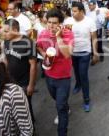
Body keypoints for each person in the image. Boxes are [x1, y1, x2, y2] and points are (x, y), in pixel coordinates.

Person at [37, 8, 74, 136]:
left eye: (54, 23)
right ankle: (65, 106)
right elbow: (38, 46)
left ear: (60, 24)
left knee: (60, 107)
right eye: (49, 22)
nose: (51, 26)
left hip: (63, 77)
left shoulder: (67, 33)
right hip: (49, 75)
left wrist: (58, 37)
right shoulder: (42, 33)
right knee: (56, 99)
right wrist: (44, 54)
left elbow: (67, 54)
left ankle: (62, 132)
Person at [2, 19, 37, 122]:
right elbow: (6, 59)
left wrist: (31, 85)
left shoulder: (28, 42)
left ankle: (31, 128)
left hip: (24, 82)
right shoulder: (7, 41)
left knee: (26, 106)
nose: (5, 33)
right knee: (15, 107)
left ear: (15, 30)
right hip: (11, 81)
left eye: (7, 31)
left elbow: (33, 65)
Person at [71, 1, 98, 112]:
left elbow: (94, 38)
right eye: (72, 11)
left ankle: (86, 100)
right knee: (76, 72)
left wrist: (95, 53)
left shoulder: (90, 22)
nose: (73, 13)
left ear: (81, 11)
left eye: (75, 11)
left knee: (83, 75)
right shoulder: (69, 22)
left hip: (85, 52)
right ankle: (78, 84)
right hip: (73, 52)